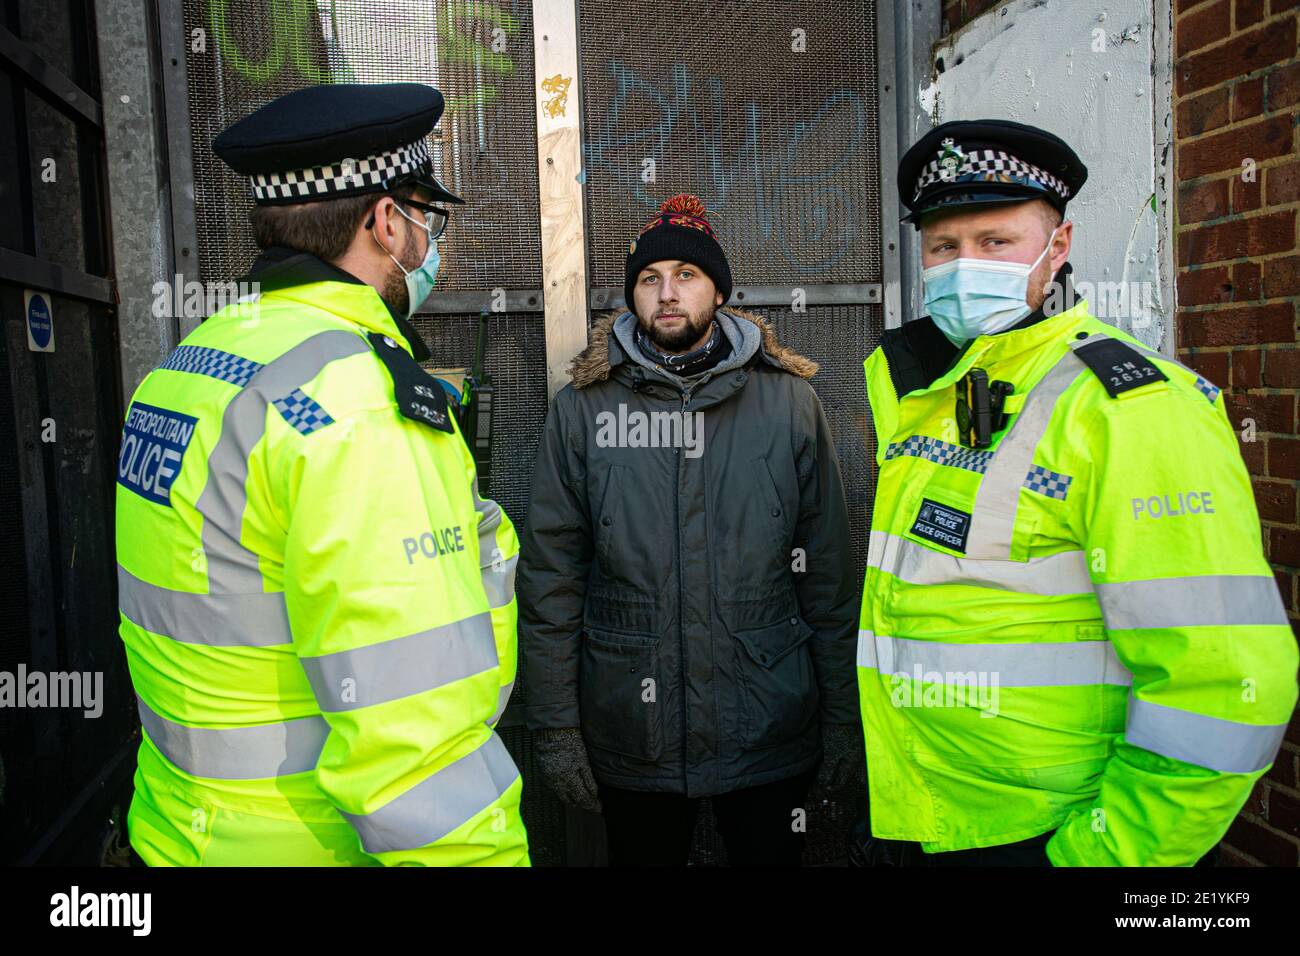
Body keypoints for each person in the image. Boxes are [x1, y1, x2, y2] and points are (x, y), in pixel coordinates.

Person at [857, 118, 1298, 865]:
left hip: (1047, 833)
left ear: (1057, 247)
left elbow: (1228, 685)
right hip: (927, 809)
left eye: (996, 242)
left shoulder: (1132, 409)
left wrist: (1097, 858)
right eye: (944, 246)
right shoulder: (923, 387)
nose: (965, 266)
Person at [115, 83, 527, 865]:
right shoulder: (360, 406)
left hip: (172, 833)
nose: (431, 245)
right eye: (424, 218)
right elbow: (414, 743)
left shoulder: (191, 364)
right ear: (382, 220)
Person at [518, 193, 860, 866]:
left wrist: (845, 724)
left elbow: (827, 576)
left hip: (766, 722)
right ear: (632, 295)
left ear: (719, 291)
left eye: (686, 275)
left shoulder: (789, 403)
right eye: (650, 279)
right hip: (632, 726)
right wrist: (555, 726)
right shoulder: (583, 410)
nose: (667, 293)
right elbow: (552, 579)